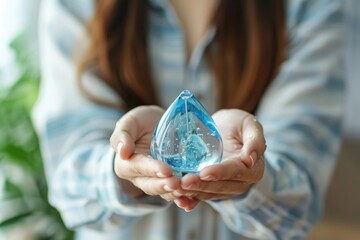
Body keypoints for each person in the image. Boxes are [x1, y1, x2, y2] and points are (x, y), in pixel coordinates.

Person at [32, 0, 345, 239]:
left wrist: (251, 177)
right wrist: (122, 168)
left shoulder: (310, 6)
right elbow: (69, 187)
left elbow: (297, 206)